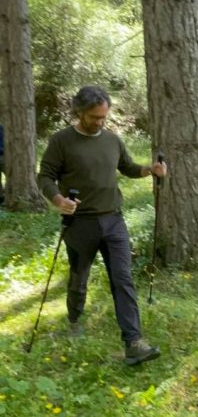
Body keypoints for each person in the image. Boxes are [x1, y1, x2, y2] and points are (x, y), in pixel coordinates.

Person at [38, 85, 167, 365]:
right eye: (94, 117)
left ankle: (134, 342)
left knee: (123, 279)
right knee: (79, 278)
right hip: (80, 223)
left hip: (113, 219)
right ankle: (74, 319)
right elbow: (45, 176)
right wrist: (58, 199)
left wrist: (149, 170)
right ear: (80, 112)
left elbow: (128, 167)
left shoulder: (112, 140)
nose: (100, 122)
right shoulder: (62, 141)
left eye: (103, 117)